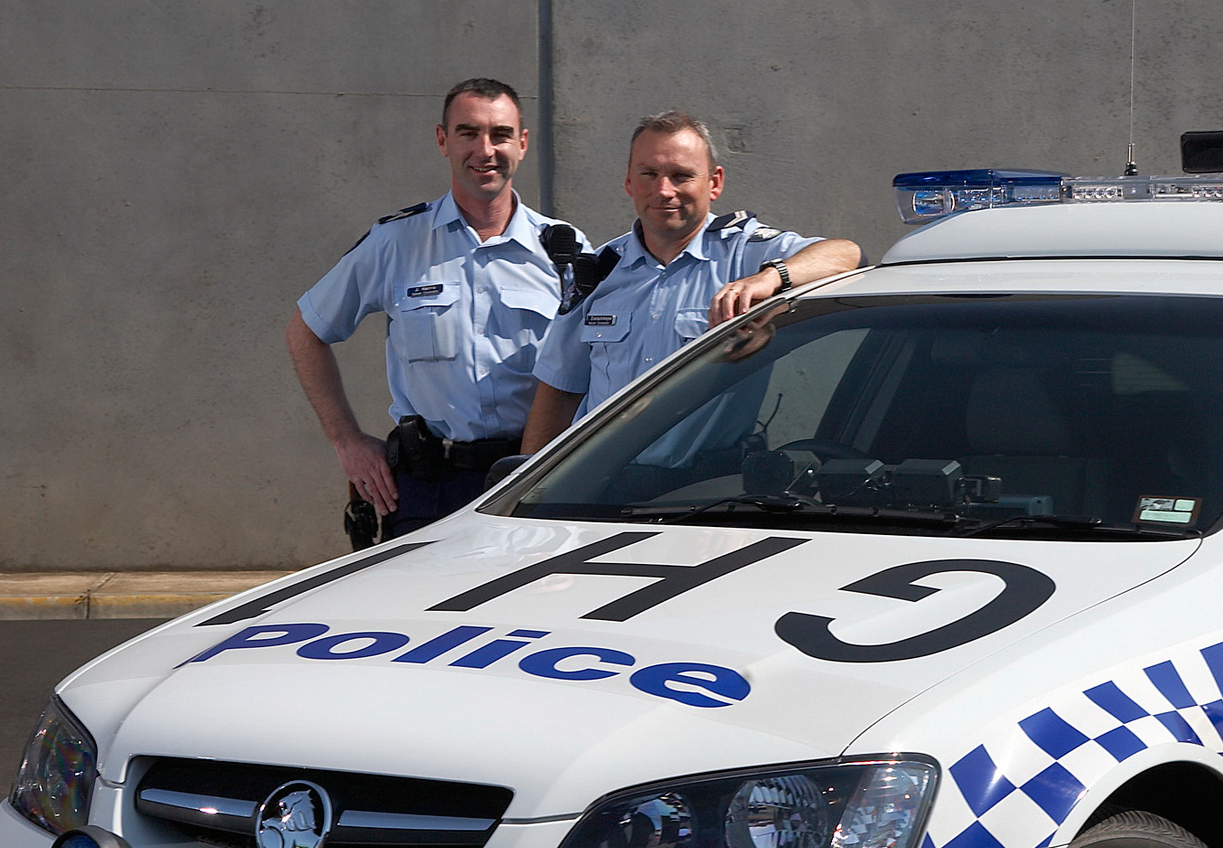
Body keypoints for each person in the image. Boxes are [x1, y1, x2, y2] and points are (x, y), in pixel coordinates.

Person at [286, 78, 582, 540]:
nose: (485, 150)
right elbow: (305, 331)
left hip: (535, 479)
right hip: (430, 486)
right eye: (468, 133)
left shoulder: (564, 249)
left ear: (523, 144)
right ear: (443, 141)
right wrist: (346, 441)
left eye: (501, 134)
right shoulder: (397, 242)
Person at [519, 111, 861, 453]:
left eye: (681, 175)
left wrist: (771, 278)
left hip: (703, 490)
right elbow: (560, 390)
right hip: (598, 487)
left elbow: (845, 254)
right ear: (628, 182)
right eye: (649, 174)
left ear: (714, 182)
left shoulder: (745, 254)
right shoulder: (600, 270)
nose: (663, 191)